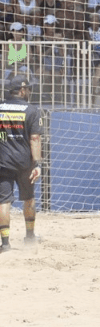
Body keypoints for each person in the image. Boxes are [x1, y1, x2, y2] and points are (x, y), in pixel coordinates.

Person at [0, 75, 43, 252]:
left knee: (3, 202)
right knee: (29, 199)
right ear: (22, 90)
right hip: (25, 163)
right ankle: (30, 237)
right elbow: (35, 139)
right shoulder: (31, 110)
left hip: (2, 162)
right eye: (29, 89)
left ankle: (5, 244)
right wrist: (38, 164)